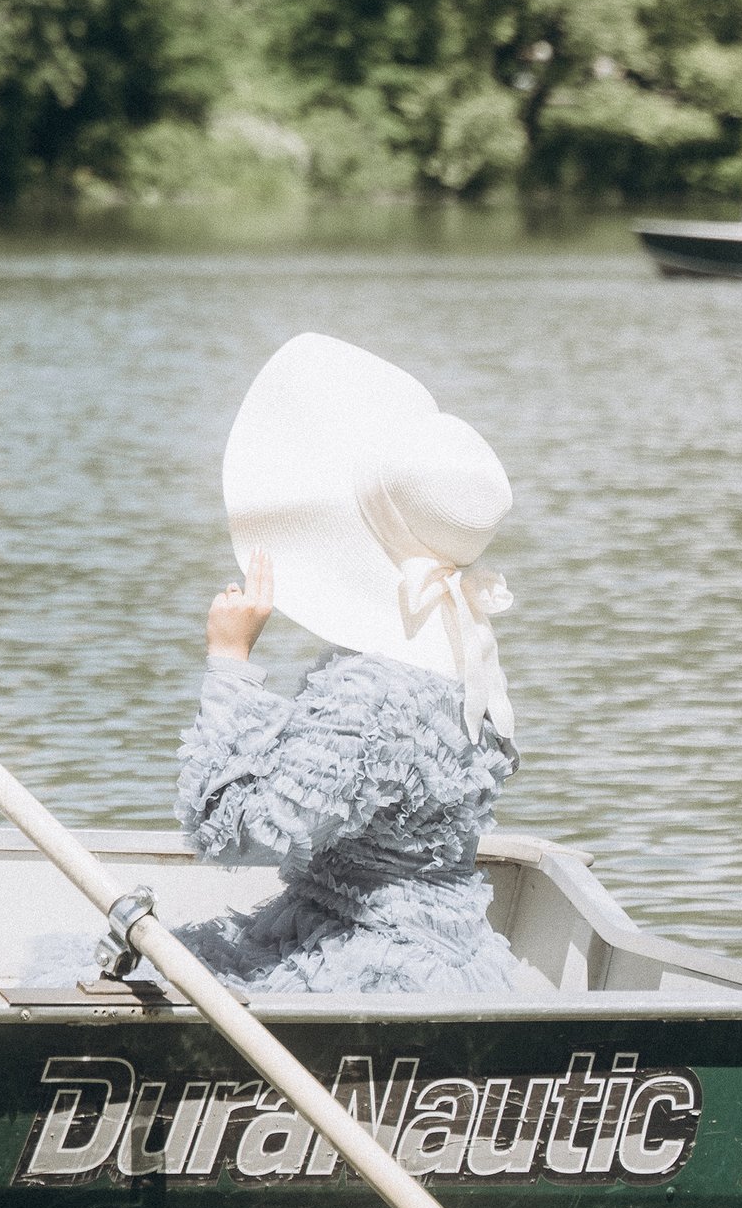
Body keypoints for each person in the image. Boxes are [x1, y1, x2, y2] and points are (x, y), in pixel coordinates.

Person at [175, 331, 530, 1001]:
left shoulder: (370, 692)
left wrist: (229, 662)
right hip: (456, 955)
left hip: (364, 963)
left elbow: (229, 831)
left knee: (92, 965)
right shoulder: (466, 651)